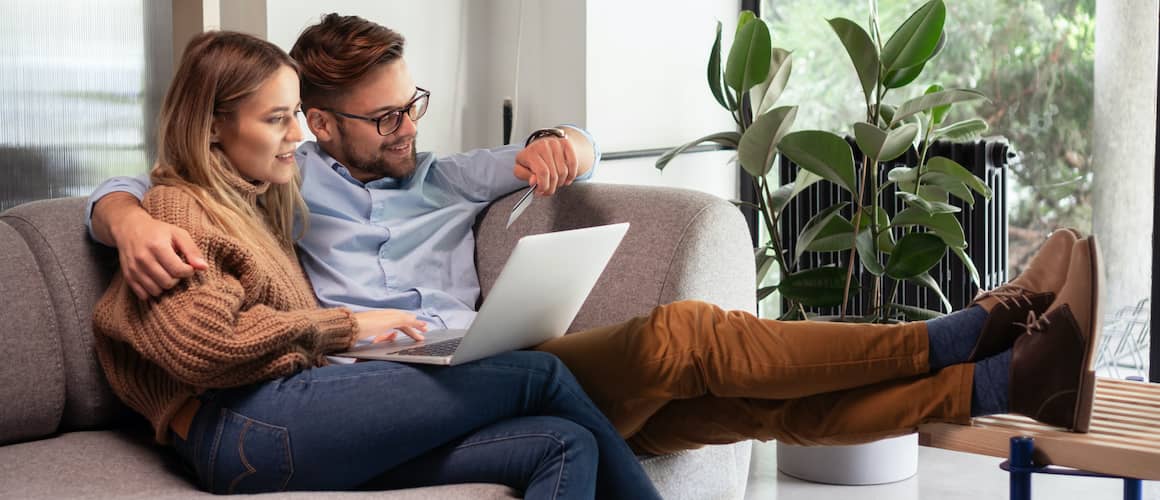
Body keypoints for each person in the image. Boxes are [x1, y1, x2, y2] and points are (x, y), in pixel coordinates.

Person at [88, 14, 1102, 459]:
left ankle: (1006, 387)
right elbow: (167, 176)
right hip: (409, 383)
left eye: (412, 104)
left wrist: (558, 148)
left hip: (496, 352)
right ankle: (952, 336)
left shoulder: (445, 173)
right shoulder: (281, 181)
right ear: (317, 123)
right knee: (685, 341)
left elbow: (573, 136)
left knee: (738, 406)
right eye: (382, 117)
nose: (407, 130)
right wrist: (122, 214)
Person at [91, 30, 662, 499]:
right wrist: (340, 324)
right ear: (213, 127)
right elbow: (206, 344)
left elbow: (575, 152)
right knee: (541, 374)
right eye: (276, 120)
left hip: (288, 420)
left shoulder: (261, 197)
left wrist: (563, 142)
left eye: (292, 115)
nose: (294, 137)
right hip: (245, 426)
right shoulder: (182, 207)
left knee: (563, 442)